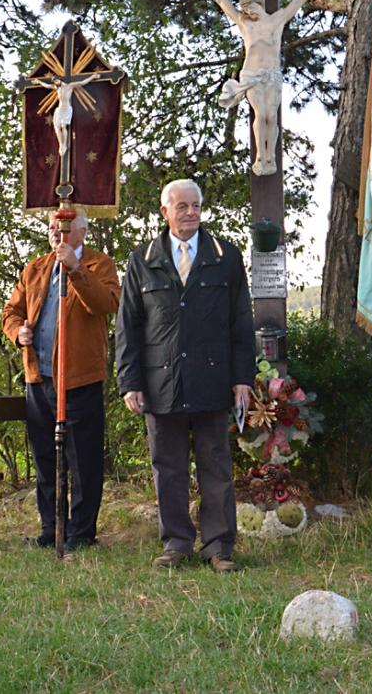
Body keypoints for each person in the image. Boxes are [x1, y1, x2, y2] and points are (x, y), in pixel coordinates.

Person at [116, 179, 256, 572]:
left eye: (196, 206)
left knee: (216, 464)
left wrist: (243, 377)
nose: (191, 212)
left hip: (212, 378)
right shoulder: (142, 259)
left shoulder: (225, 256)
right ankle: (176, 543)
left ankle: (218, 547)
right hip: (160, 381)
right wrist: (130, 381)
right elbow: (128, 327)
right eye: (183, 207)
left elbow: (241, 322)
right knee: (169, 467)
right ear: (165, 212)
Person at [2, 209, 121, 550]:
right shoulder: (36, 267)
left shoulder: (100, 264)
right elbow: (11, 311)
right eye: (52, 228)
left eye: (63, 228)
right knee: (44, 458)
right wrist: (18, 331)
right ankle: (51, 529)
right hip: (39, 379)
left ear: (81, 231)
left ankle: (81, 533)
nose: (56, 233)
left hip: (80, 379)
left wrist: (75, 267)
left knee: (83, 459)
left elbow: (106, 303)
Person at [199, 0, 327, 176]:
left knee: (271, 115)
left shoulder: (276, 20)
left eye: (250, 7)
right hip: (252, 74)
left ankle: (271, 158)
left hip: (272, 73)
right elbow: (222, 1)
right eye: (245, 9)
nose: (248, 12)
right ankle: (261, 155)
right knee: (261, 114)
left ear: (259, 4)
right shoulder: (244, 23)